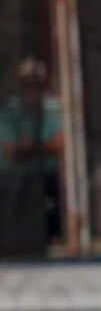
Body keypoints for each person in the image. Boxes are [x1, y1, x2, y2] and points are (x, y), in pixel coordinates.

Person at [0, 57, 63, 242]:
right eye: (27, 83)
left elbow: (60, 144)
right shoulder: (9, 110)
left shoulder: (53, 108)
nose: (33, 88)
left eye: (38, 83)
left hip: (46, 173)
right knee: (18, 185)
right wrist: (44, 147)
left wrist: (29, 147)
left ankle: (56, 237)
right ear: (20, 85)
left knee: (59, 185)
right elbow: (11, 152)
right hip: (13, 174)